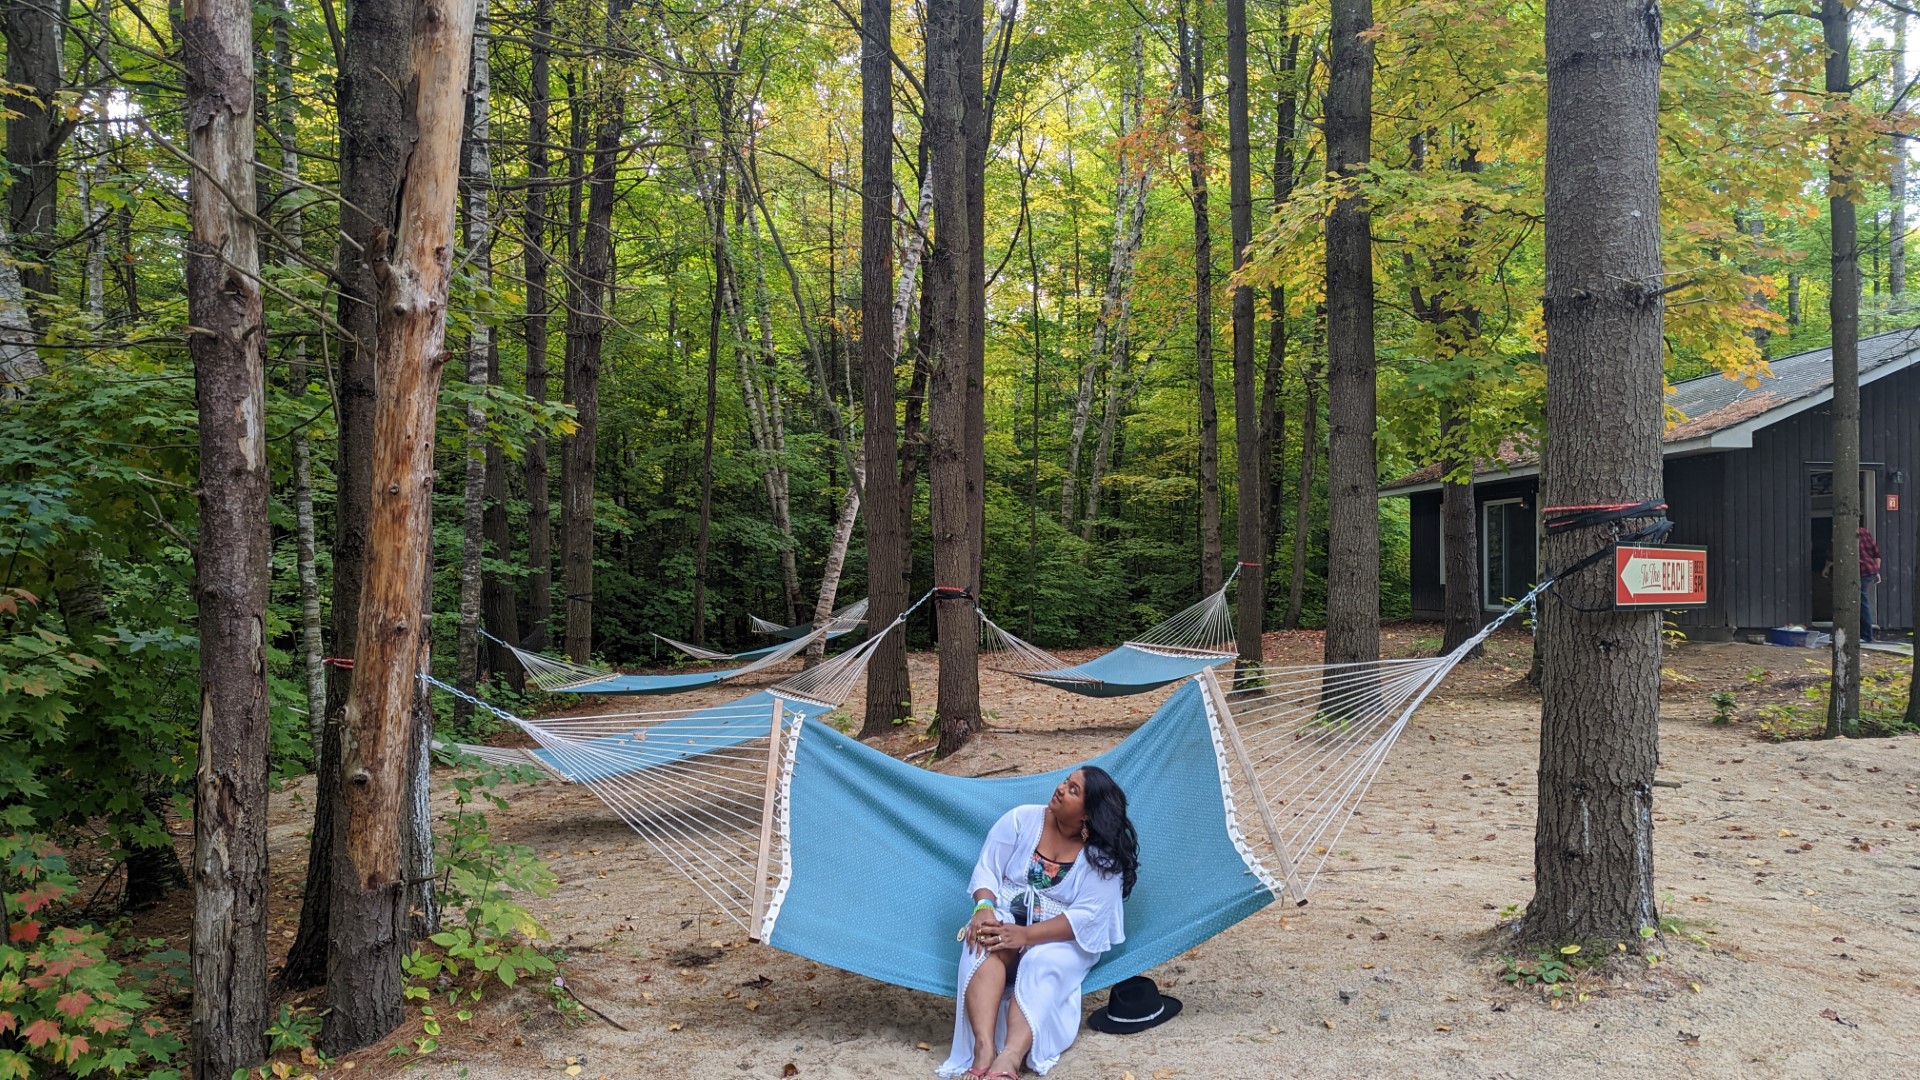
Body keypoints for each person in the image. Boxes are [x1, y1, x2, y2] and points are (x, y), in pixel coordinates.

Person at [937, 767, 1139, 1079]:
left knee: (1042, 960)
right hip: (1007, 917)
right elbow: (988, 867)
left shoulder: (1101, 859)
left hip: (1061, 938)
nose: (1060, 789)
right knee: (984, 938)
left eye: (1073, 790)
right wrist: (984, 907)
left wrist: (1027, 936)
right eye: (1065, 782)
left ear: (1088, 814)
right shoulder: (1022, 820)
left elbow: (1085, 918)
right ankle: (984, 1047)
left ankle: (1010, 1057)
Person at [1821, 521, 1882, 643]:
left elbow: (1834, 554)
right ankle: (1862, 634)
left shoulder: (1841, 533)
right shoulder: (1864, 532)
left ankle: (1865, 635)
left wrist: (1827, 567)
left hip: (1856, 571)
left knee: (1857, 602)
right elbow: (1876, 553)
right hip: (1869, 570)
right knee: (1860, 601)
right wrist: (1877, 572)